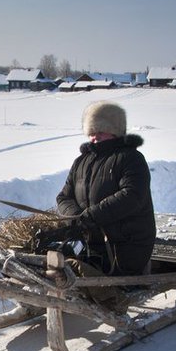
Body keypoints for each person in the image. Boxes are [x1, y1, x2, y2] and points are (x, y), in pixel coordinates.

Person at [35, 100, 156, 276]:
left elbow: (132, 196)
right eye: (92, 132)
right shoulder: (81, 162)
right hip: (90, 245)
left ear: (116, 131)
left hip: (124, 247)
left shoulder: (131, 158)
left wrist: (90, 217)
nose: (95, 136)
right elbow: (63, 197)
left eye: (101, 131)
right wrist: (75, 218)